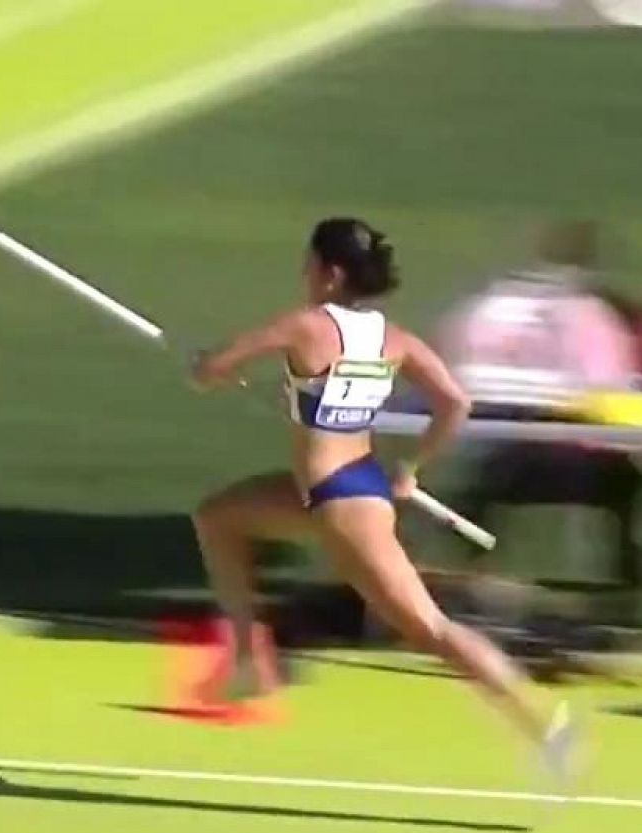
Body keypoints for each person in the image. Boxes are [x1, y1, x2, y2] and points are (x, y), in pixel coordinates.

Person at [189, 217, 575, 777]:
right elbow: (453, 403)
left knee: (431, 631)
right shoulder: (396, 341)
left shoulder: (303, 326)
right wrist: (410, 470)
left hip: (342, 505)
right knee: (219, 517)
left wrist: (205, 368)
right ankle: (250, 659)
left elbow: (216, 367)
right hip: (342, 490)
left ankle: (545, 730)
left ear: (330, 273)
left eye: (310, 264)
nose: (304, 274)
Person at [439, 221, 642, 629]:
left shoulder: (494, 307)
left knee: (466, 492)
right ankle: (627, 606)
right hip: (591, 468)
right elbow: (614, 390)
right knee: (639, 481)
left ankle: (469, 591)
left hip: (514, 463)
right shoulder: (607, 316)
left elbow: (461, 373)